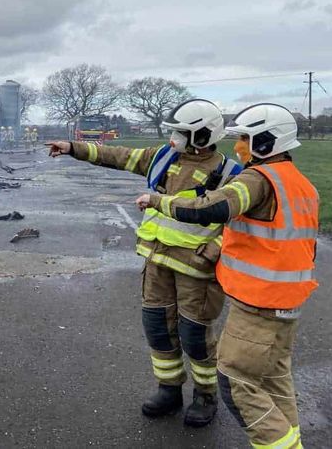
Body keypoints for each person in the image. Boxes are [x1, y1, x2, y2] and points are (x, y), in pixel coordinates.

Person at [47, 99, 241, 427]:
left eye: (182, 133)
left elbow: (240, 226)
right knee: (158, 328)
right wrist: (72, 148)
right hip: (157, 263)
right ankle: (169, 388)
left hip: (196, 271)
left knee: (195, 335)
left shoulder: (231, 174)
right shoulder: (163, 157)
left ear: (203, 135)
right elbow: (119, 156)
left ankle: (205, 394)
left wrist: (213, 250)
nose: (174, 138)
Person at [135, 103, 317, 449]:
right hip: (287, 301)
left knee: (236, 381)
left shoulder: (258, 178)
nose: (238, 146)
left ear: (267, 141)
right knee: (274, 380)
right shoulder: (299, 182)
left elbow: (214, 207)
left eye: (245, 139)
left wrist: (158, 201)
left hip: (259, 301)